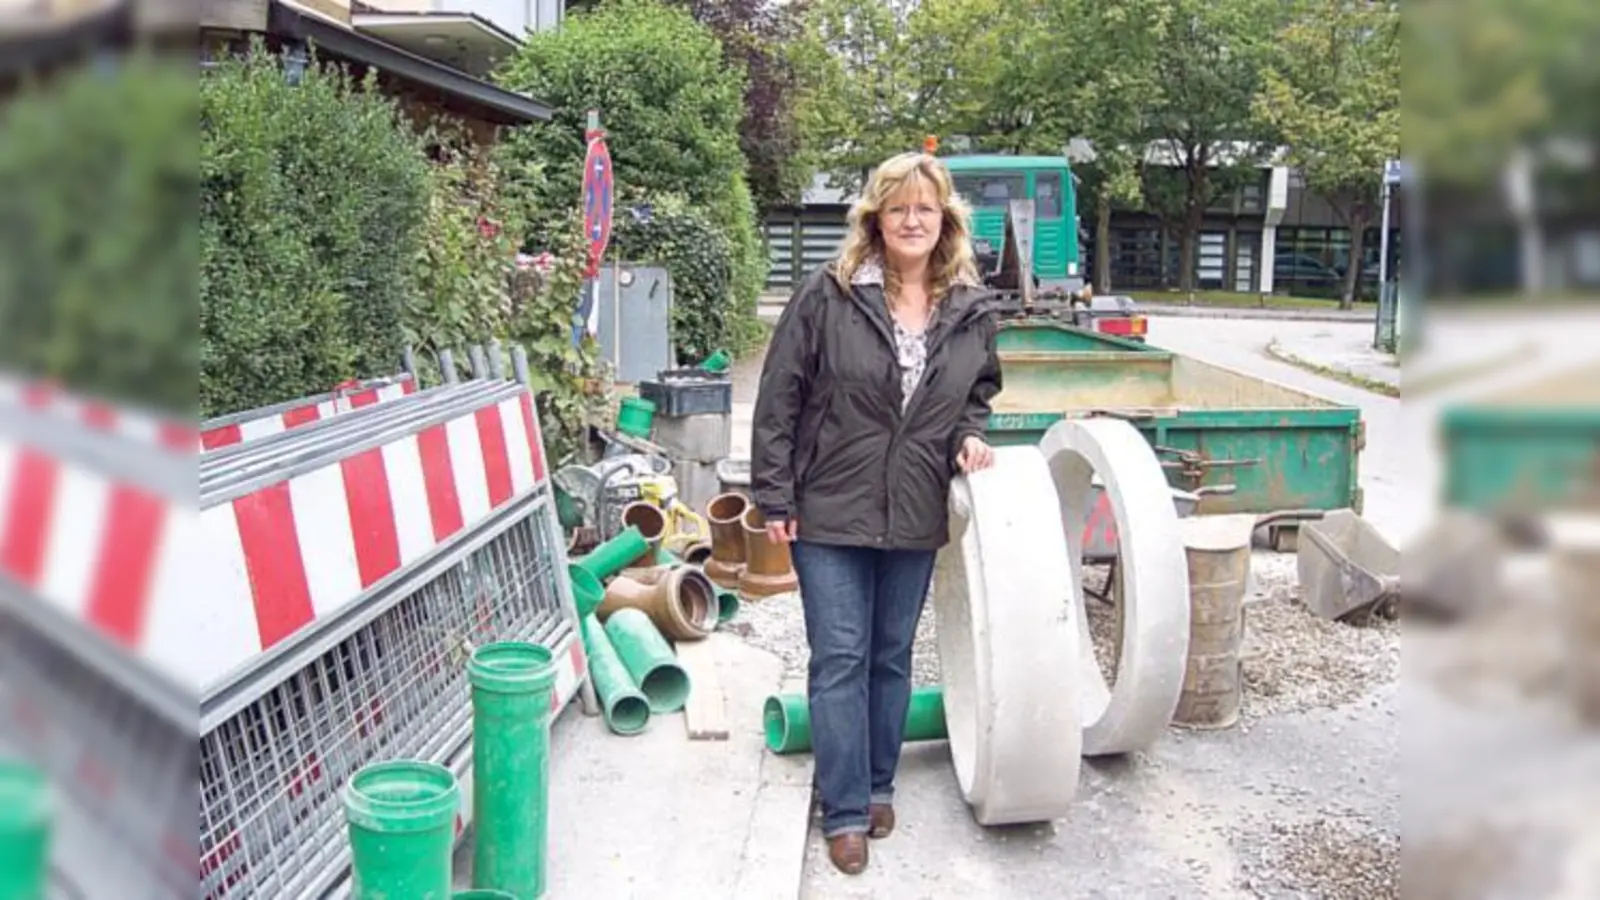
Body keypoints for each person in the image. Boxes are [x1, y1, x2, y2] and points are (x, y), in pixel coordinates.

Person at [750, 149, 1002, 875]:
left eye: (926, 208)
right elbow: (780, 397)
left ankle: (880, 781)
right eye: (899, 208)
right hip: (829, 506)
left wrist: (970, 437)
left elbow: (974, 394)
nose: (913, 219)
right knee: (840, 657)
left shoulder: (970, 309)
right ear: (876, 219)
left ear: (945, 220)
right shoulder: (828, 295)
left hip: (915, 507)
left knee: (891, 657)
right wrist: (775, 494)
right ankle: (847, 809)